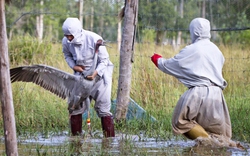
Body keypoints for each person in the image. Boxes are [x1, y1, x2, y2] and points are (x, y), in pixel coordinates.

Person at [151, 18, 232, 141]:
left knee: (181, 121)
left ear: (193, 31)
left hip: (198, 93)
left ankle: (209, 143)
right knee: (217, 132)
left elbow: (170, 64)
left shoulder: (192, 49)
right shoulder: (216, 50)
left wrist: (157, 59)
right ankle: (216, 147)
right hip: (217, 94)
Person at [62, 17, 115, 137]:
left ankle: (109, 142)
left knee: (103, 108)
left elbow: (104, 60)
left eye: (70, 35)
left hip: (100, 76)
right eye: (66, 35)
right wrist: (74, 67)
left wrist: (95, 73)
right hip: (80, 77)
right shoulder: (65, 41)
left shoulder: (94, 39)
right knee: (75, 106)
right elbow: (67, 55)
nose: (68, 38)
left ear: (77, 32)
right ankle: (76, 141)